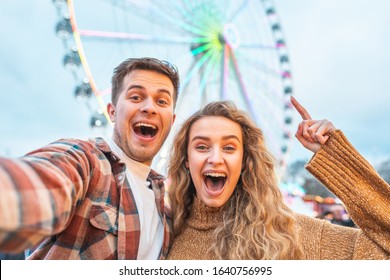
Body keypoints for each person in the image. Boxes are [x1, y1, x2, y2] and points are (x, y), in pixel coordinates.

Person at [0, 57, 179, 260]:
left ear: (172, 121)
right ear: (111, 112)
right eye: (136, 97)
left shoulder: (167, 212)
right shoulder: (86, 161)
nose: (150, 108)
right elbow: (35, 186)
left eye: (162, 101)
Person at [166, 97, 389, 259]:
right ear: (187, 159)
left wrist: (337, 159)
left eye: (229, 147)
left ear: (245, 161)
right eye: (202, 147)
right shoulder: (163, 238)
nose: (215, 158)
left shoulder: (290, 234)